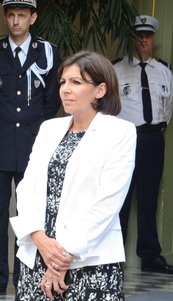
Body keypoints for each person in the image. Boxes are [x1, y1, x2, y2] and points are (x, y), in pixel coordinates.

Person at [11, 51, 136, 300]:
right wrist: (40, 240)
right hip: (37, 256)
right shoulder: (49, 128)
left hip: (90, 261)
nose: (65, 89)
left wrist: (61, 258)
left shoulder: (120, 131)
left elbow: (107, 203)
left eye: (76, 82)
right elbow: (27, 188)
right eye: (63, 82)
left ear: (100, 90)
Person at [0, 0, 61, 296]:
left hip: (33, 145)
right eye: (11, 15)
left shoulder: (48, 53)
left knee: (30, 214)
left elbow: (52, 100)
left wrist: (37, 131)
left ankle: (25, 276)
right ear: (5, 17)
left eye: (22, 15)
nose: (15, 21)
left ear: (33, 17)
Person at [113, 15, 173, 274]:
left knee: (148, 199)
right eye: (140, 35)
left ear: (153, 39)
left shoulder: (164, 70)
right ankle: (113, 257)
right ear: (133, 39)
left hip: (153, 139)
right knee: (121, 200)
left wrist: (156, 129)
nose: (145, 40)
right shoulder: (116, 69)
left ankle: (150, 257)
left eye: (148, 36)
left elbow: (168, 108)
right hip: (125, 139)